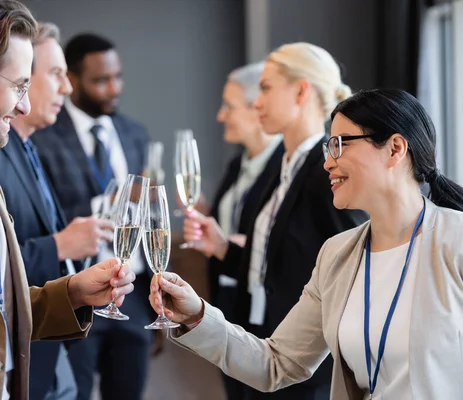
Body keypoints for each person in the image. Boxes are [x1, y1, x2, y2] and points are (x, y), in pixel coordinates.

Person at [152, 88, 463, 399]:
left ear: (395, 149)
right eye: (327, 147)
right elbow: (277, 363)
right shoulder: (337, 254)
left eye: (340, 144)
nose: (328, 162)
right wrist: (197, 316)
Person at [182, 42, 368, 399]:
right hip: (263, 345)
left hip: (305, 366)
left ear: (301, 91)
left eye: (266, 88)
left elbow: (352, 264)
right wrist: (223, 248)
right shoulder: (279, 167)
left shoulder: (325, 170)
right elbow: (272, 263)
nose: (257, 102)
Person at [0, 4, 136, 400]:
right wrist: (61, 246)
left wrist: (73, 291)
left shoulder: (24, 148)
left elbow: (5, 303)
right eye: (19, 85)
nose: (23, 105)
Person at [31, 33, 154, 400]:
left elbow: (149, 216)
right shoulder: (42, 134)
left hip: (131, 290)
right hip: (74, 290)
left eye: (117, 77)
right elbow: (45, 216)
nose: (113, 88)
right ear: (72, 79)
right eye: (101, 80)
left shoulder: (135, 134)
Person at [209, 61, 284, 398]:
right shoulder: (239, 162)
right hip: (230, 304)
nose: (220, 116)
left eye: (229, 106)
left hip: (265, 317)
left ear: (258, 108)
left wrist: (239, 243)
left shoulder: (288, 165)